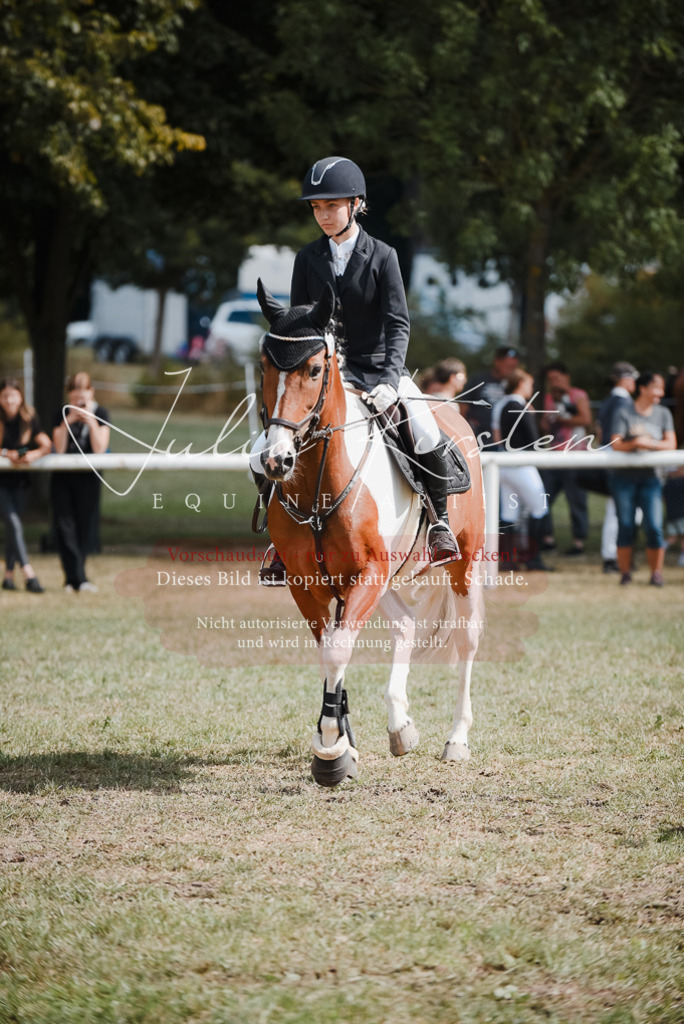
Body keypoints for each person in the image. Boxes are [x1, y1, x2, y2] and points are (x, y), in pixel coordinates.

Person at [253, 155, 460, 584]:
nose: (323, 215)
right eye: (317, 207)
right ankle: (281, 538)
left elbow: (398, 323)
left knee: (425, 431)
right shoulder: (307, 258)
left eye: (332, 205)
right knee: (262, 451)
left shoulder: (383, 256)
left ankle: (439, 523)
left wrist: (390, 379)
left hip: (378, 371)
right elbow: (300, 324)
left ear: (356, 204)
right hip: (323, 378)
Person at [610, 371, 676, 586]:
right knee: (626, 525)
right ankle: (625, 573)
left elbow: (671, 443)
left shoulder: (663, 413)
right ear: (643, 388)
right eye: (657, 388)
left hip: (652, 478)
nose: (661, 393)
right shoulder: (624, 411)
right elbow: (616, 443)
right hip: (624, 478)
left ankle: (656, 574)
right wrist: (635, 443)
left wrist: (650, 444)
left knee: (654, 526)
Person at [51, 374, 110, 592]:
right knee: (65, 527)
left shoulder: (101, 413)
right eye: (75, 398)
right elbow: (59, 448)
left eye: (83, 397)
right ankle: (71, 578)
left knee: (85, 527)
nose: (79, 401)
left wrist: (91, 421)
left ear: (91, 392)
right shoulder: (61, 413)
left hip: (89, 478)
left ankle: (80, 577)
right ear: (69, 396)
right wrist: (69, 421)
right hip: (63, 478)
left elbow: (100, 448)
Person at [491, 368, 552, 571]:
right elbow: (534, 440)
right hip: (521, 464)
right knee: (540, 508)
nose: (531, 388)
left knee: (509, 512)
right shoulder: (521, 407)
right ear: (520, 384)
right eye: (529, 384)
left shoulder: (500, 405)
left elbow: (497, 436)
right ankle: (533, 559)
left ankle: (507, 559)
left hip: (504, 463)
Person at [0, 378, 51, 592]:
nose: (9, 400)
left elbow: (44, 445)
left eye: (13, 395)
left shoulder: (28, 419)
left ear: (20, 397)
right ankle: (29, 574)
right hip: (1, 483)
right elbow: (6, 449)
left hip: (21, 482)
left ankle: (8, 576)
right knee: (14, 524)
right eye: (5, 396)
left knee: (14, 528)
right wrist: (6, 453)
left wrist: (31, 454)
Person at [540, 361, 593, 555]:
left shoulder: (577, 395)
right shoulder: (547, 398)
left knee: (577, 500)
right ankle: (547, 538)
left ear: (566, 376)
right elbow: (544, 425)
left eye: (556, 378)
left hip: (575, 455)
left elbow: (586, 419)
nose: (553, 382)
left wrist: (562, 419)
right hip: (554, 455)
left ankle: (579, 542)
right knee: (543, 497)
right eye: (550, 379)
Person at [597, 362, 640, 573]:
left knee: (619, 508)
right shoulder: (624, 402)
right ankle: (613, 556)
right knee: (619, 509)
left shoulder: (609, 401)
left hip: (608, 454)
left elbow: (599, 432)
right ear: (625, 379)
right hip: (618, 456)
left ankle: (618, 555)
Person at [463, 346, 519, 445]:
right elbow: (463, 406)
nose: (511, 370)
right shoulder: (478, 380)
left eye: (513, 367)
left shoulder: (515, 384)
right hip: (478, 437)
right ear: (497, 362)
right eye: (508, 366)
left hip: (504, 439)